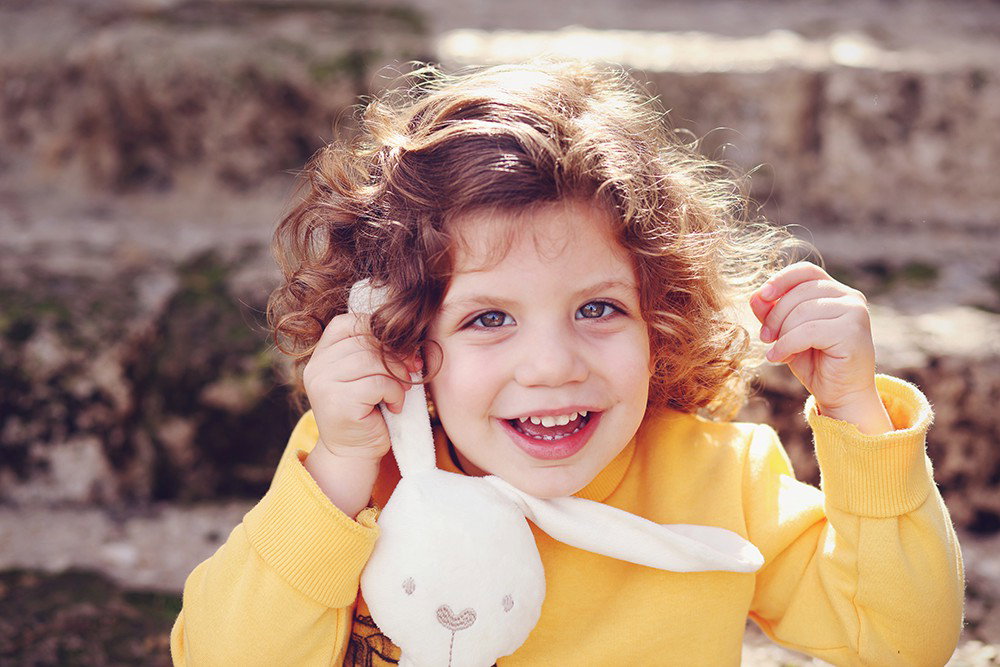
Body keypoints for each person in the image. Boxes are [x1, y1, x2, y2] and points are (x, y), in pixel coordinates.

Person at [169, 59, 964, 665]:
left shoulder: (722, 480)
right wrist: (339, 472)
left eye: (597, 309)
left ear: (659, 317)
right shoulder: (357, 477)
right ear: (401, 336)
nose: (551, 365)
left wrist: (857, 413)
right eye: (488, 319)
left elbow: (899, 640)